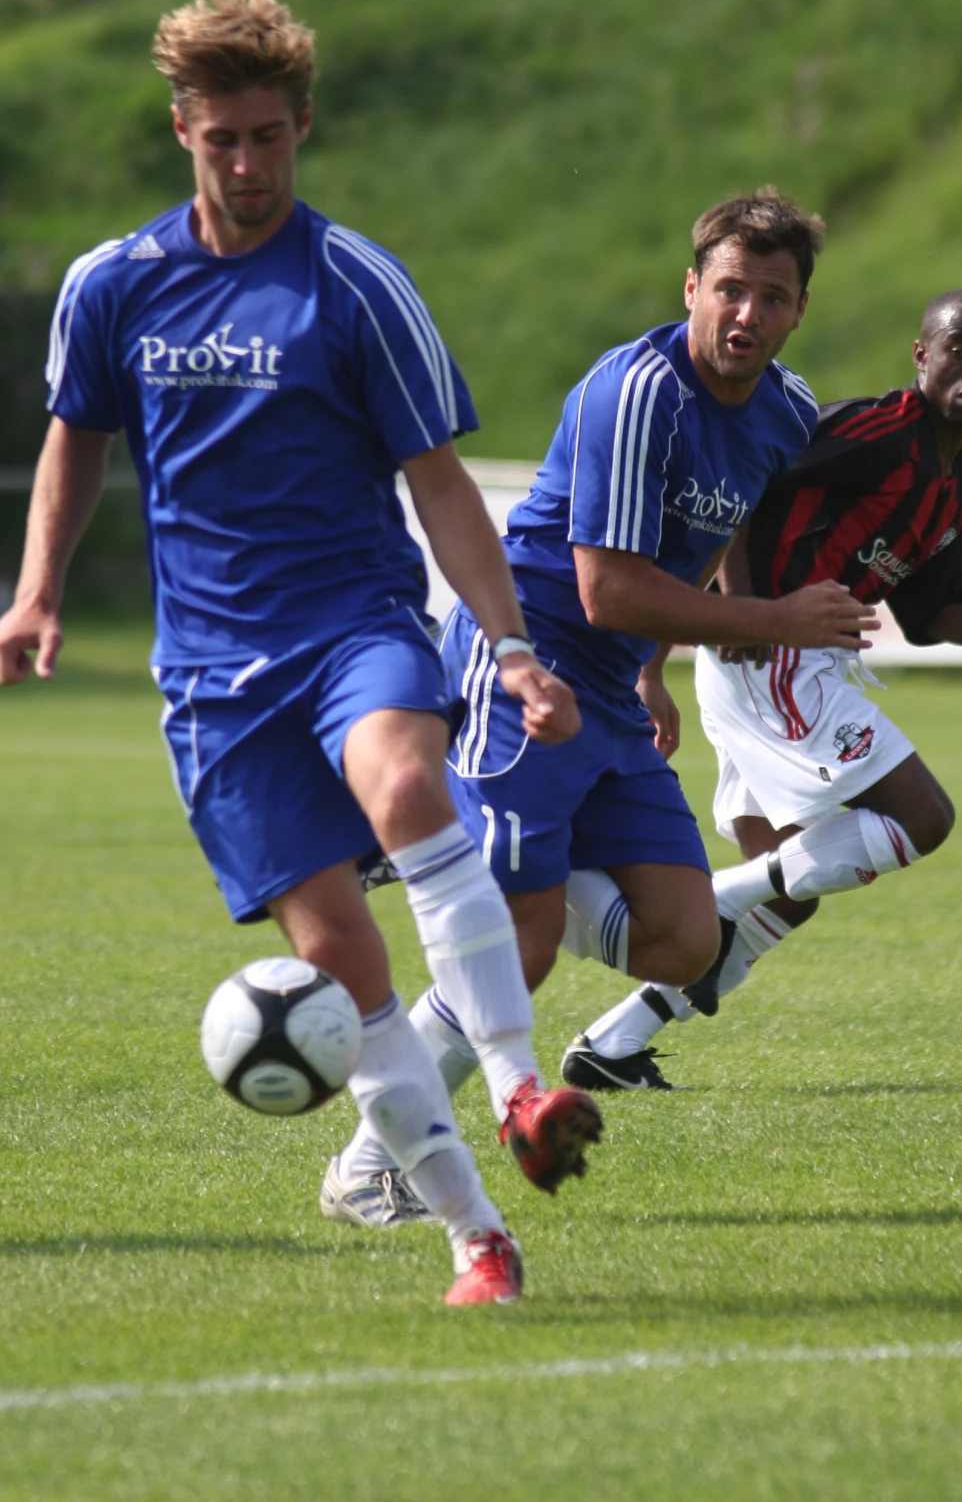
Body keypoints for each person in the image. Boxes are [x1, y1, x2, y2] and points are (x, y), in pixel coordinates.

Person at [0, 0, 590, 1307]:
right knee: (342, 965)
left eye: (269, 138)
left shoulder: (354, 284)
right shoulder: (111, 285)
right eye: (222, 142)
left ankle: (519, 1083)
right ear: (182, 131)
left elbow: (438, 479)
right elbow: (71, 443)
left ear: (302, 125)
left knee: (412, 787)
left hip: (351, 625)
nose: (248, 166)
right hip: (211, 680)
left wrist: (514, 645)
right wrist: (35, 592)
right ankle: (478, 1237)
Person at [321, 189, 880, 1214]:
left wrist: (652, 665)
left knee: (683, 939)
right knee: (520, 951)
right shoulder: (638, 391)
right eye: (727, 290)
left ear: (800, 309)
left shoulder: (788, 408)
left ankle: (442, 838)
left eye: (771, 295)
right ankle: (368, 1165)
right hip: (529, 664)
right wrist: (776, 619)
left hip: (614, 687)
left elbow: (701, 545)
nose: (745, 314)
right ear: (690, 288)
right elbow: (604, 585)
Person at [565, 289, 962, 1083]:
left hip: (788, 659)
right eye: (961, 349)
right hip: (769, 651)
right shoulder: (876, 433)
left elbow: (931, 612)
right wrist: (735, 616)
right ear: (923, 357)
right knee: (923, 816)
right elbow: (743, 486)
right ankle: (711, 895)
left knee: (792, 890)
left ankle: (611, 1046)